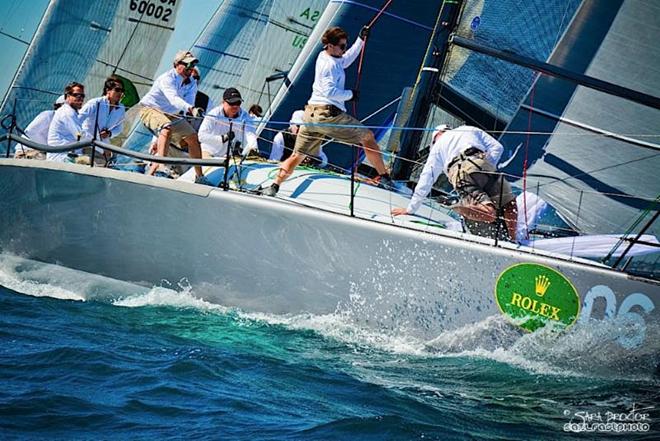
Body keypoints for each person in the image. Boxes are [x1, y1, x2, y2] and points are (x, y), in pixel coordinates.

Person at [260, 25, 396, 196]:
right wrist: (350, 94)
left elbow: (345, 60)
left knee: (297, 155)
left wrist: (360, 40)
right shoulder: (329, 66)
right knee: (367, 137)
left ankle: (274, 185)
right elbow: (329, 92)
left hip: (310, 116)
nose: (343, 49)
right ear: (330, 45)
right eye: (342, 46)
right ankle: (384, 177)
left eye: (345, 46)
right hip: (327, 115)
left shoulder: (324, 55)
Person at [391, 124, 518, 241]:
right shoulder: (469, 129)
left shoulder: (438, 146)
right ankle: (513, 240)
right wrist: (484, 167)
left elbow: (427, 178)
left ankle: (456, 205)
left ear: (436, 137)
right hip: (482, 162)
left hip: (460, 170)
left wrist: (411, 209)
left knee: (489, 212)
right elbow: (498, 148)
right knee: (509, 203)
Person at [139, 50, 210, 184]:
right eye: (187, 65)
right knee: (166, 128)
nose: (190, 68)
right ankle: (159, 166)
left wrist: (192, 109)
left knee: (193, 138)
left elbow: (188, 101)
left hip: (172, 114)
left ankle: (200, 177)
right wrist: (190, 108)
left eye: (192, 65)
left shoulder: (192, 83)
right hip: (150, 109)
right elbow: (173, 99)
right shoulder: (167, 78)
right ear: (177, 64)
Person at [198, 87, 258, 158]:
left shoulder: (245, 116)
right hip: (209, 152)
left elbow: (250, 133)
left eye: (238, 103)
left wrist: (253, 147)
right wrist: (222, 138)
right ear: (223, 102)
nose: (235, 106)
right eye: (232, 103)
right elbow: (201, 136)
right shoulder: (214, 114)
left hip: (229, 156)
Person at [78, 76, 126, 163]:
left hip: (103, 147)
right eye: (117, 90)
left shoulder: (121, 108)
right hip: (88, 144)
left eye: (122, 91)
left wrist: (110, 133)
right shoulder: (95, 103)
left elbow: (119, 127)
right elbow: (78, 119)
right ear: (108, 90)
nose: (120, 93)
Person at [14, 95, 65, 159]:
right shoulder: (48, 115)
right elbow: (31, 132)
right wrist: (50, 148)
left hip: (45, 153)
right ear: (61, 106)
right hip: (28, 152)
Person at [47, 82, 86, 162]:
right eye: (76, 95)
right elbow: (80, 136)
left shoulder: (72, 112)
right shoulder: (67, 112)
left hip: (69, 155)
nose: (80, 98)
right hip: (61, 158)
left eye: (82, 96)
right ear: (68, 96)